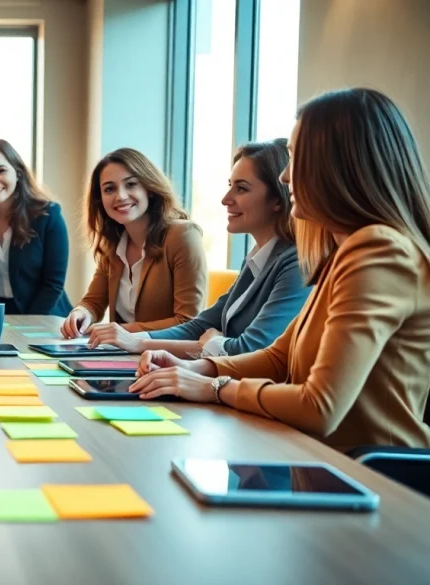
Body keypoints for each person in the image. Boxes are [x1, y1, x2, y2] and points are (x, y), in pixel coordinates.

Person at [130, 88, 430, 451]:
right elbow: (278, 357)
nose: (285, 178)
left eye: (295, 158)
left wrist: (215, 389)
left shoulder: (379, 249)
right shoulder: (342, 250)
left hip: (373, 477)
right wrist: (194, 369)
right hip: (318, 459)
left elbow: (320, 407)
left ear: (339, 167)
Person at [87, 139, 310, 356]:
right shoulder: (256, 260)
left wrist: (212, 343)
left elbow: (249, 349)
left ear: (279, 199)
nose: (225, 199)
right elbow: (199, 327)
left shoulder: (297, 263)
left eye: (241, 189)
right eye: (230, 186)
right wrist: (136, 342)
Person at [60, 148, 207, 338]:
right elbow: (93, 303)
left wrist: (121, 331)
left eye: (131, 184)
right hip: (124, 356)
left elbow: (189, 321)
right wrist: (81, 313)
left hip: (167, 359)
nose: (120, 196)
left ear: (149, 188)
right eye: (109, 189)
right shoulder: (114, 246)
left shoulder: (182, 235)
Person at [0, 138, 73, 316]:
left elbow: (53, 285)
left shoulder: (48, 216)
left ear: (18, 173)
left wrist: (27, 323)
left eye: (1, 170)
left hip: (45, 317)